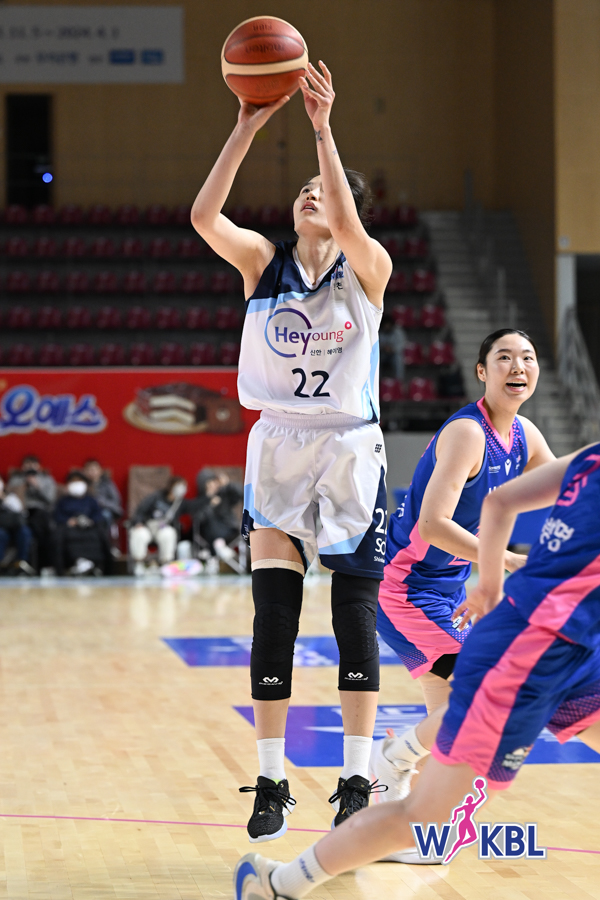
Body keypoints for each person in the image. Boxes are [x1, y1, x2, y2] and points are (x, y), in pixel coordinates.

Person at [234, 444, 600, 899]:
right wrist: (492, 584)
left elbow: (501, 501)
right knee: (422, 820)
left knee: (428, 823)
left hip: (577, 649)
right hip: (525, 654)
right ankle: (279, 884)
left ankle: (398, 754)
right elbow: (493, 503)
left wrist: (490, 585)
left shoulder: (587, 455)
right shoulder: (485, 437)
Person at [191, 59, 393, 842]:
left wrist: (321, 129)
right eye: (303, 189)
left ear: (348, 213)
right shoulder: (262, 263)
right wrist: (246, 124)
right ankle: (271, 781)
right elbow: (205, 215)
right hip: (277, 441)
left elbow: (345, 217)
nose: (310, 194)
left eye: (324, 190)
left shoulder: (367, 268)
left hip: (348, 447)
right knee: (274, 614)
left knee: (353, 614)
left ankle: (355, 780)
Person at [368, 328, 555, 821]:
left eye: (528, 357)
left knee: (452, 722)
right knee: (482, 693)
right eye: (504, 358)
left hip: (448, 593)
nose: (518, 366)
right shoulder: (469, 433)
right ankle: (392, 759)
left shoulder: (524, 434)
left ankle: (405, 816)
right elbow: (432, 525)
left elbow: (570, 492)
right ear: (481, 371)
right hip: (406, 590)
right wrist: (505, 560)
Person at [129, 476, 196, 576]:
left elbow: (196, 505)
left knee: (169, 533)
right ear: (171, 486)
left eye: (184, 486)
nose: (182, 488)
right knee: (139, 534)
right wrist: (138, 522)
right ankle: (139, 564)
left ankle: (166, 564)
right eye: (179, 485)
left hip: (162, 529)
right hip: (147, 526)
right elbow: (140, 510)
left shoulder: (180, 503)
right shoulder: (156, 496)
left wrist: (209, 497)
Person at [52, 472, 110, 576]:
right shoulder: (63, 501)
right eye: (73, 482)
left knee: (100, 535)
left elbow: (98, 514)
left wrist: (90, 521)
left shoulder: (91, 500)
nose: (76, 484)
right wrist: (69, 520)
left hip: (89, 528)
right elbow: (57, 515)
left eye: (79, 481)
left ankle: (97, 565)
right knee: (60, 536)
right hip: (69, 528)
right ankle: (71, 564)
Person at [7, 454, 57, 571]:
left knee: (40, 525)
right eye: (27, 464)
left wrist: (37, 486)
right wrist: (23, 485)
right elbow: (9, 497)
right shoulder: (15, 479)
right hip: (20, 512)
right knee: (26, 530)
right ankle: (24, 564)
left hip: (40, 512)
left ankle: (42, 565)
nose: (30, 466)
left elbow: (51, 499)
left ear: (39, 466)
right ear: (22, 467)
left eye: (33, 464)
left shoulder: (47, 479)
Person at [195, 469, 243, 571]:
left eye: (214, 482)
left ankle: (215, 551)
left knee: (215, 526)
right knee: (210, 520)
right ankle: (218, 546)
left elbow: (241, 494)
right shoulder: (199, 501)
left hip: (229, 531)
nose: (213, 485)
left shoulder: (224, 495)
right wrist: (210, 505)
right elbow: (198, 519)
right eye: (210, 483)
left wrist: (228, 484)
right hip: (208, 535)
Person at [0, 476, 34, 576]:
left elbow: (20, 511)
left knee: (25, 532)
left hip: (15, 527)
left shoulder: (11, 497)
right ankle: (1, 564)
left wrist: (4, 499)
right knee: (1, 535)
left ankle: (21, 562)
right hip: (2, 528)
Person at [82, 459, 124, 533]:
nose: (92, 472)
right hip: (87, 510)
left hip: (105, 509)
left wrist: (101, 502)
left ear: (100, 471)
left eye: (94, 469)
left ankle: (102, 537)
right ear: (85, 472)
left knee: (105, 515)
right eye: (89, 470)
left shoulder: (107, 483)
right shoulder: (82, 484)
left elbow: (116, 501)